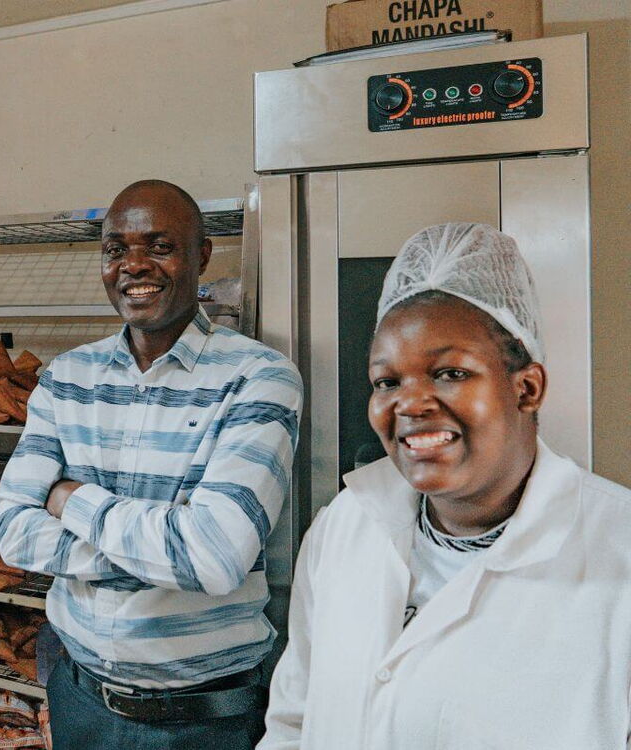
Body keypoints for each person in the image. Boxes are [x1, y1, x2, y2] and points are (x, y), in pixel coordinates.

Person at [258, 223, 631, 749]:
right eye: (387, 381)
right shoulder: (344, 525)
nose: (409, 404)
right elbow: (294, 722)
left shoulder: (617, 550)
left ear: (527, 388)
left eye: (450, 372)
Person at [0, 180, 303, 749]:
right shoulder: (67, 378)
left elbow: (212, 558)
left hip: (206, 716)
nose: (134, 265)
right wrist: (166, 549)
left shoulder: (258, 378)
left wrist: (69, 499)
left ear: (201, 255)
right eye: (116, 249)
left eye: (159, 246)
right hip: (79, 697)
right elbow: (14, 533)